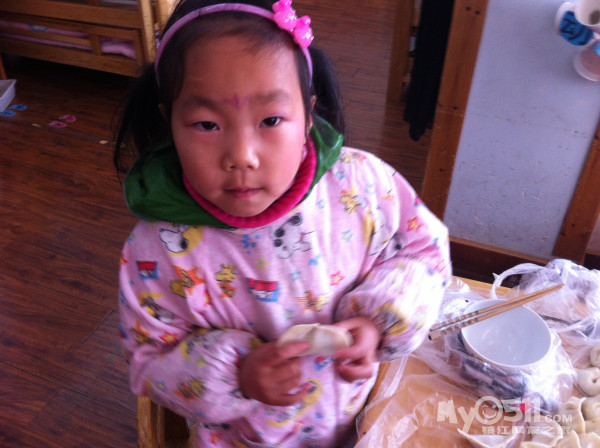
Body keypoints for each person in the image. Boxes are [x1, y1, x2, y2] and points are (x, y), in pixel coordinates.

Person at [115, 0, 451, 446]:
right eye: (207, 124)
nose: (242, 156)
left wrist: (377, 322)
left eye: (271, 120)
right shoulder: (157, 250)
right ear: (169, 120)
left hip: (365, 424)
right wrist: (238, 374)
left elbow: (424, 249)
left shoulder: (361, 185)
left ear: (308, 114)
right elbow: (149, 360)